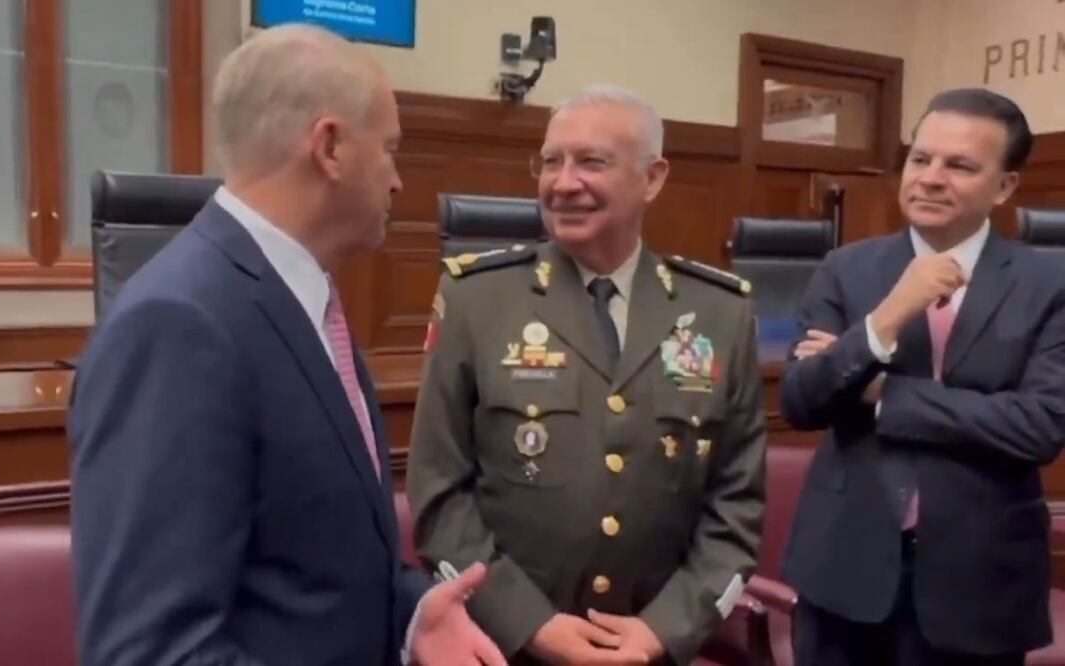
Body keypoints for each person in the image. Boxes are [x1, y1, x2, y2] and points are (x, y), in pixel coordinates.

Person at [67, 24, 504, 666]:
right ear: (329, 147)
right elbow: (152, 652)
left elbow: (315, 562)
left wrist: (412, 616)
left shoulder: (306, 299)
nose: (398, 182)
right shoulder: (176, 326)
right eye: (388, 150)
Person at [407, 85, 767, 666]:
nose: (563, 182)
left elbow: (737, 506)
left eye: (591, 162)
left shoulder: (720, 313)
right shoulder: (478, 299)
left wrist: (662, 632)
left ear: (652, 178)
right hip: (504, 648)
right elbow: (439, 494)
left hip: (649, 650)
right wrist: (531, 624)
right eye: (551, 161)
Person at [781, 87, 1065, 665]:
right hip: (844, 569)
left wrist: (884, 394)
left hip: (981, 579)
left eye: (959, 165)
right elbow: (802, 402)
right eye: (921, 159)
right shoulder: (846, 268)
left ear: (1005, 185)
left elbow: (1039, 425)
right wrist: (888, 316)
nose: (931, 177)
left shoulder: (1050, 284)